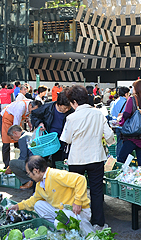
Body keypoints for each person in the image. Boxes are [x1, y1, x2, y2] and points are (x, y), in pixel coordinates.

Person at [60, 85, 114, 229]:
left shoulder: (71, 117)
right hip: (96, 158)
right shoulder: (98, 114)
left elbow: (67, 139)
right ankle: (98, 222)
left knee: (75, 191)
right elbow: (109, 136)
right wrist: (109, 143)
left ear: (75, 102)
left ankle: (77, 221)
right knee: (96, 191)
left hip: (77, 159)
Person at [6, 156, 92, 228]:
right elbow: (33, 201)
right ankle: (58, 228)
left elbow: (80, 179)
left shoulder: (54, 175)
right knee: (38, 205)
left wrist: (78, 202)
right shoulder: (40, 184)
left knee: (59, 223)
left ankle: (70, 228)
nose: (29, 176)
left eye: (29, 173)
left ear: (36, 171)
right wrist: (17, 206)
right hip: (63, 210)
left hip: (78, 211)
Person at [31, 91, 74, 168]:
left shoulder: (71, 111)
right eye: (65, 108)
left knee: (58, 163)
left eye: (69, 107)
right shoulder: (47, 108)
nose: (67, 109)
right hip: (47, 140)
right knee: (41, 162)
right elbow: (34, 114)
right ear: (59, 104)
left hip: (61, 141)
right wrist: (40, 123)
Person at [117, 79, 141, 166]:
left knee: (121, 159)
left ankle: (122, 176)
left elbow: (127, 114)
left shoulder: (133, 98)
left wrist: (120, 121)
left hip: (132, 135)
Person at [1, 100, 42, 169]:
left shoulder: (31, 104)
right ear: (30, 106)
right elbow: (16, 123)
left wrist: (28, 121)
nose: (33, 112)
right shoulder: (21, 107)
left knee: (20, 141)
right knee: (6, 143)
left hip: (17, 121)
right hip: (7, 118)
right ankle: (7, 165)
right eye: (33, 110)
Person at [7, 125, 33, 190]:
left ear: (15, 133)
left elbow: (23, 157)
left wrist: (10, 168)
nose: (13, 140)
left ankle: (28, 181)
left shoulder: (22, 139)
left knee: (12, 163)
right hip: (40, 160)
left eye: (12, 137)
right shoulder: (30, 134)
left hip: (33, 163)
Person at [110, 87, 130, 157]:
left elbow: (112, 113)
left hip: (117, 125)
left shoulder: (114, 101)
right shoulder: (126, 102)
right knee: (126, 144)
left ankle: (118, 158)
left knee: (119, 143)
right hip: (124, 126)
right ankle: (123, 159)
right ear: (126, 94)